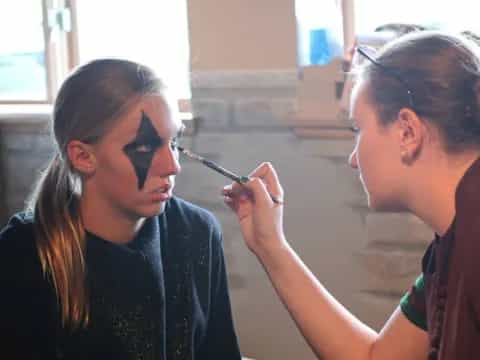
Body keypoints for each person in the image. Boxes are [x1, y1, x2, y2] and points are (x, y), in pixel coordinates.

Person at [223, 31, 480, 360]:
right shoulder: (450, 245)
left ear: (407, 131)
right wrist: (270, 244)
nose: (353, 158)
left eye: (358, 129)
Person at [0, 58, 241, 359]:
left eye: (174, 142)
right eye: (144, 147)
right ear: (83, 156)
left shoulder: (196, 232)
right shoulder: (24, 254)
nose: (173, 166)